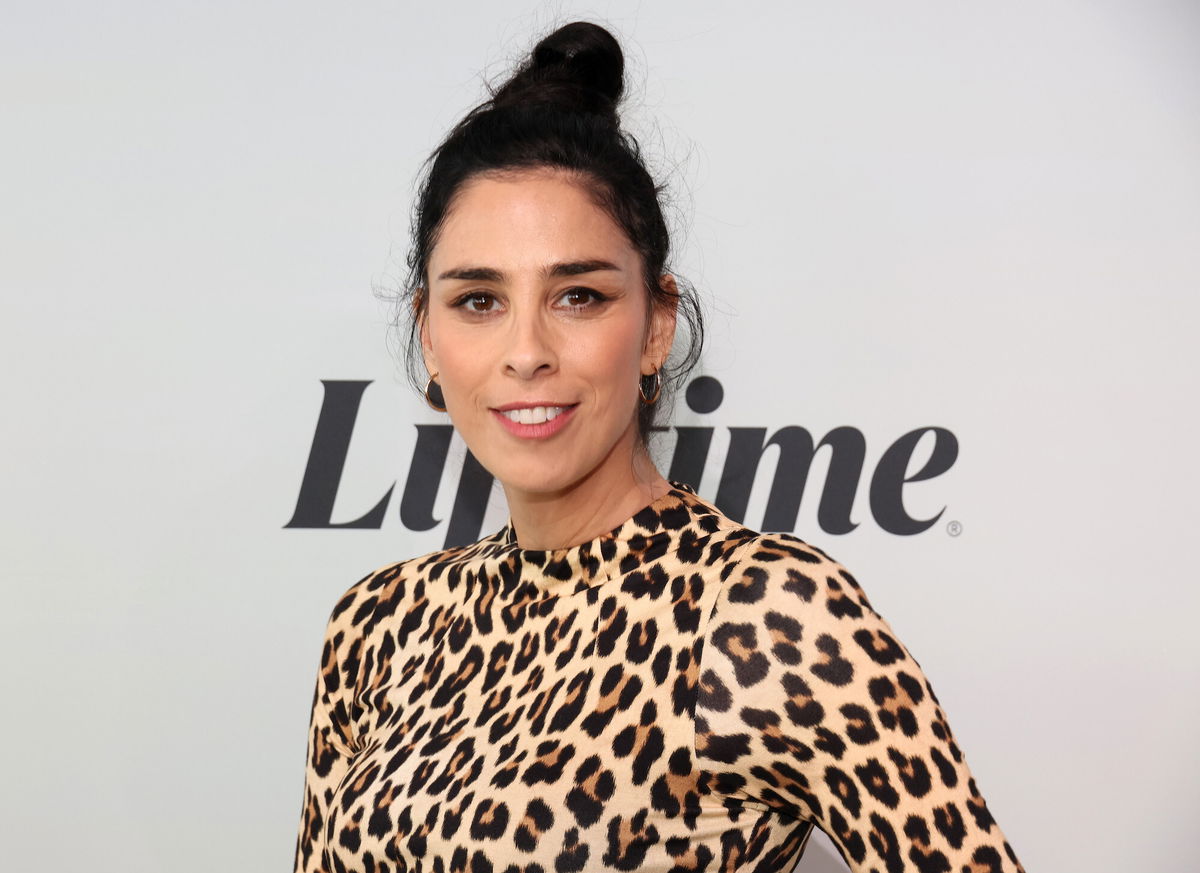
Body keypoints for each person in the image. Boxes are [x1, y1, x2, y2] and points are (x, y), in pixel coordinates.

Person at [293, 21, 1025, 873]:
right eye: (479, 301)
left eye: (578, 296)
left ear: (656, 327)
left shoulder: (763, 613)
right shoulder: (379, 624)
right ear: (428, 333)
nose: (525, 350)